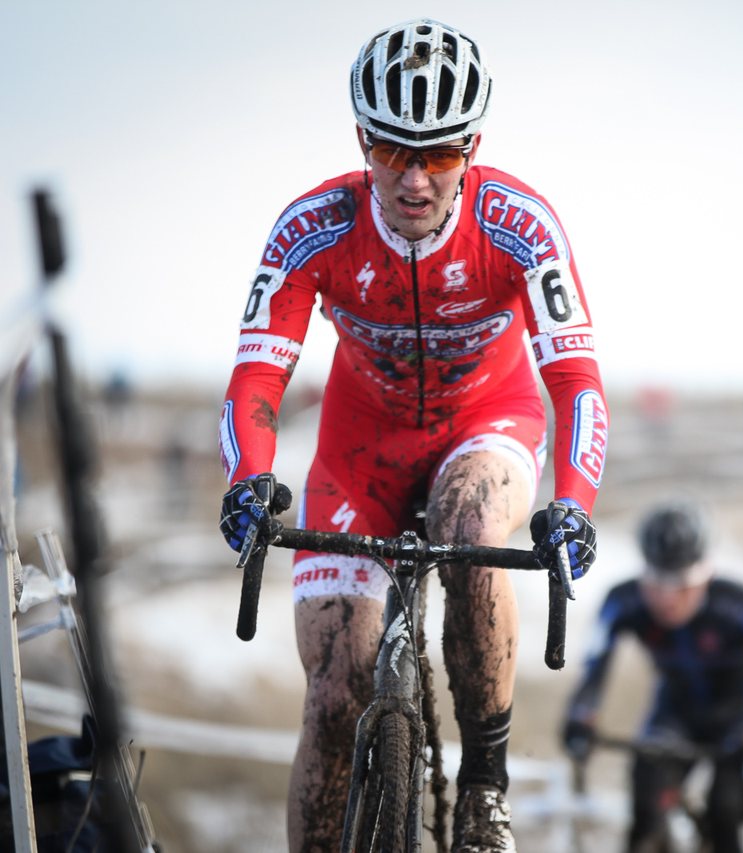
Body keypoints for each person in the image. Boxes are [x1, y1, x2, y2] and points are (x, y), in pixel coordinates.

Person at [216, 19, 607, 853]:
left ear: (473, 144)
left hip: (486, 423)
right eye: (394, 150)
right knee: (333, 696)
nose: (417, 177)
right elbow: (256, 378)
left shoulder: (519, 225)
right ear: (362, 139)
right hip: (359, 454)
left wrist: (573, 503)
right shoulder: (313, 227)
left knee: (469, 525)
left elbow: (574, 380)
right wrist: (248, 479)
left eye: (441, 152)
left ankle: (484, 790)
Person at [561, 504, 743, 853]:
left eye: (681, 585)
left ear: (705, 575)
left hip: (741, 722)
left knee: (726, 812)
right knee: (645, 813)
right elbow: (593, 672)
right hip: (674, 715)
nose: (666, 599)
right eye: (657, 582)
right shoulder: (623, 601)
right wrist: (580, 718)